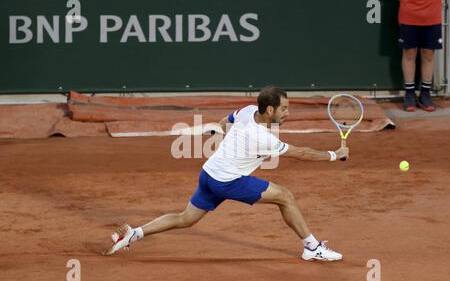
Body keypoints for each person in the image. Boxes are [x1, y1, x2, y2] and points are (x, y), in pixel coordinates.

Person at [103, 86, 348, 261]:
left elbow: (224, 120)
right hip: (228, 181)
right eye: (284, 109)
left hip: (209, 173)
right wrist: (335, 154)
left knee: (186, 218)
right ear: (270, 109)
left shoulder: (248, 110)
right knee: (285, 196)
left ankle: (136, 233)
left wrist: (219, 133)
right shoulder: (262, 137)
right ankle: (312, 247)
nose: (288, 113)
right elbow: (300, 153)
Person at [392, 0, 443, 111]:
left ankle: (425, 94)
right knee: (409, 53)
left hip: (432, 13)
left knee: (428, 54)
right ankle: (409, 94)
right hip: (409, 13)